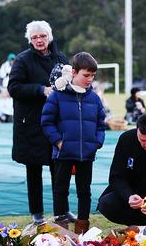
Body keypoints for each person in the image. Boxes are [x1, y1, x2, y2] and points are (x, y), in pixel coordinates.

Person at [8, 21, 68, 224]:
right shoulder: (22, 60)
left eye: (42, 36)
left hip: (56, 122)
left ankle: (62, 212)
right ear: (30, 40)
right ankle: (37, 215)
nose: (39, 40)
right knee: (33, 171)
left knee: (59, 170)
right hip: (30, 123)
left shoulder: (61, 58)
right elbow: (13, 88)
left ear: (49, 36)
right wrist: (41, 90)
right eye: (34, 38)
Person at [41, 52, 106, 234]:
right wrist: (58, 141)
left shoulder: (94, 99)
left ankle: (82, 230)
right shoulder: (57, 96)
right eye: (86, 75)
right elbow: (47, 121)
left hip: (87, 154)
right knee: (60, 190)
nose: (89, 79)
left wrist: (96, 143)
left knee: (84, 191)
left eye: (92, 76)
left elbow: (101, 124)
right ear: (74, 72)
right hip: (63, 153)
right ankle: (61, 230)